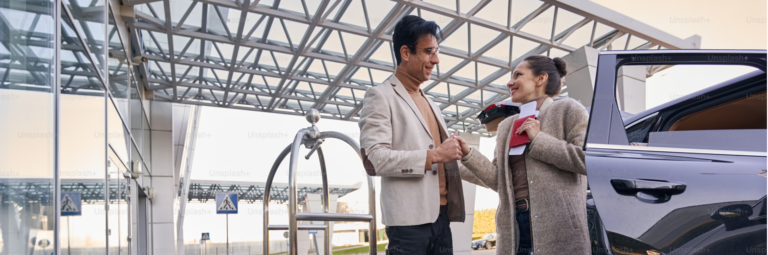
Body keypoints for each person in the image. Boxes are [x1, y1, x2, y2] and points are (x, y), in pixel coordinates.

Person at [358, 15, 485, 255]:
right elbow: (374, 159)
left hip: (442, 219)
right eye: (428, 52)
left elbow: (449, 162)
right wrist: (434, 155)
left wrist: (493, 174)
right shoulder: (380, 96)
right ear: (405, 53)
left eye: (436, 51)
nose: (435, 60)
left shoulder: (432, 104)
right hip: (408, 226)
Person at [455, 55, 591, 255]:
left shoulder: (569, 109)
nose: (510, 82)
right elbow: (499, 181)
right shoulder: (506, 126)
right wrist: (467, 154)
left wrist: (539, 140)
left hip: (559, 227)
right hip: (514, 228)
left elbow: (586, 161)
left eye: (518, 74)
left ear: (540, 78)